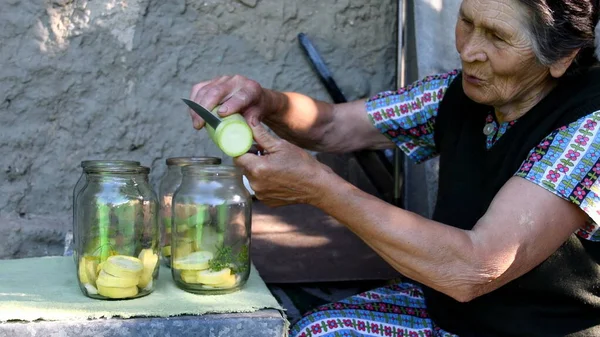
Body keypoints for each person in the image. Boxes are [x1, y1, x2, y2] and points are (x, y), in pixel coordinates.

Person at [187, 0, 600, 335]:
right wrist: (267, 102)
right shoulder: (458, 95)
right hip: (449, 313)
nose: (470, 50)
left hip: (538, 330)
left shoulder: (588, 130)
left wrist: (319, 189)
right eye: (466, 21)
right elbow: (331, 126)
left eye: (497, 36)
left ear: (562, 56)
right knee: (320, 331)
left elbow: (475, 267)